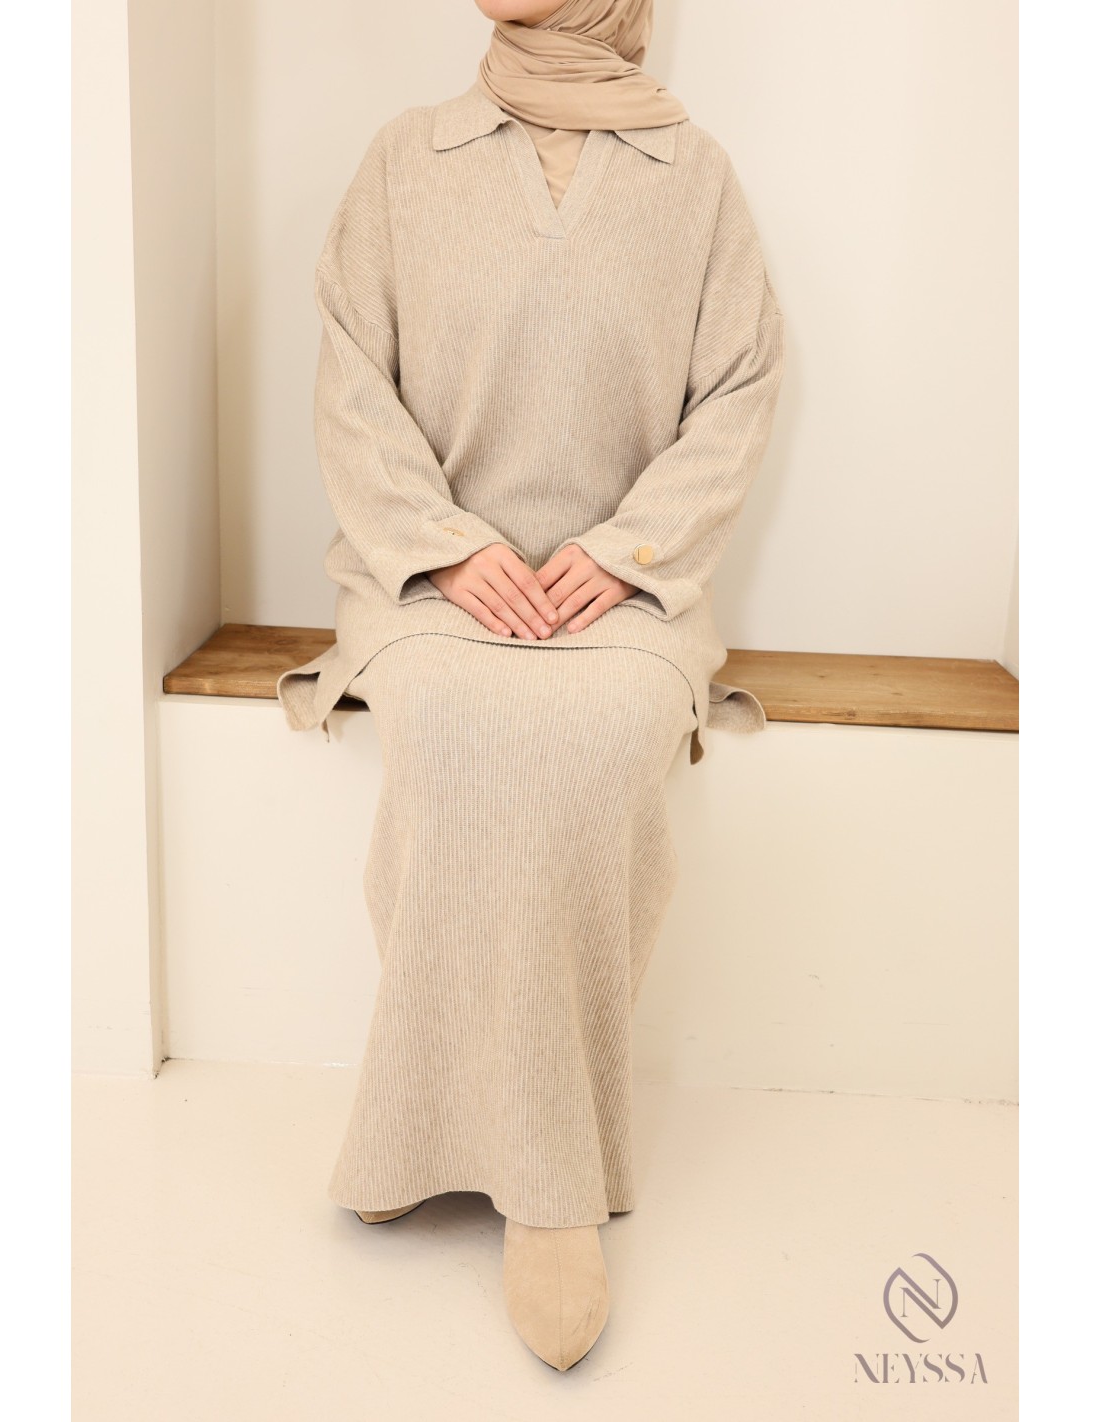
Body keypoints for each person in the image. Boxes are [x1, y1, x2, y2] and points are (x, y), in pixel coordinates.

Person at [276, 0, 785, 1372]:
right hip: (430, 586)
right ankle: (449, 1136)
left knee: (598, 744)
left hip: (627, 595)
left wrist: (625, 554)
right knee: (451, 731)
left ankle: (533, 1184)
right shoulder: (407, 157)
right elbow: (350, 382)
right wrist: (444, 547)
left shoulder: (694, 178)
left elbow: (740, 390)